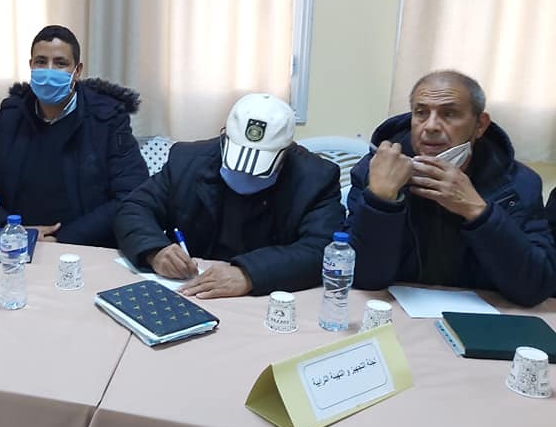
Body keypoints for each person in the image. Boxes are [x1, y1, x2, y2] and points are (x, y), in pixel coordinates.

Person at [347, 70, 556, 307]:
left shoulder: (518, 183)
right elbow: (362, 279)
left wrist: (478, 211)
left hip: (483, 314)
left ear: (480, 125)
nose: (431, 126)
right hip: (391, 309)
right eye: (421, 113)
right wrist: (381, 201)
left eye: (449, 114)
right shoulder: (373, 170)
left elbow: (535, 287)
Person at [115, 93, 344, 299]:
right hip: (190, 288)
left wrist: (249, 274)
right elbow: (134, 208)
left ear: (286, 151)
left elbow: (321, 249)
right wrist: (155, 250)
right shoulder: (188, 160)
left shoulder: (316, 178)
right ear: (224, 137)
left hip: (267, 296)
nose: (246, 175)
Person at [0, 25, 148, 248]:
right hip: (18, 247)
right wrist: (13, 230)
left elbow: (130, 195)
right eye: (41, 62)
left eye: (60, 63)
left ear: (77, 71)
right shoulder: (11, 116)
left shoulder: (107, 119)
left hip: (86, 247)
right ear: (30, 66)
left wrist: (63, 239)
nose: (49, 71)